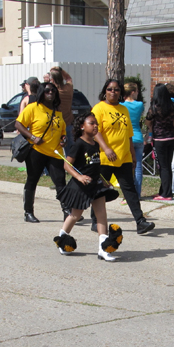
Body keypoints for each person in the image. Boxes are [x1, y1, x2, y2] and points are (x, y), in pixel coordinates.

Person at [91, 79, 155, 235]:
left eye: (116, 90)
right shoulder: (99, 108)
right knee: (99, 190)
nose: (113, 92)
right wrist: (106, 148)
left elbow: (129, 135)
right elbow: (94, 131)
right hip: (105, 158)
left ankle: (140, 222)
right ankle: (96, 221)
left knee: (130, 190)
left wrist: (133, 155)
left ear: (121, 92)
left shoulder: (124, 109)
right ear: (105, 91)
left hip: (124, 156)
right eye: (110, 89)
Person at [55, 112, 121, 261]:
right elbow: (67, 164)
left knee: (101, 216)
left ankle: (103, 249)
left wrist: (104, 180)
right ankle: (62, 240)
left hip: (96, 185)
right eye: (92, 123)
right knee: (75, 215)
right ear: (82, 127)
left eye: (96, 123)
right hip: (81, 186)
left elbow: (95, 166)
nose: (96, 126)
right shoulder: (78, 144)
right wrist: (79, 177)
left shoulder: (96, 144)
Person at [15, 82, 67, 223]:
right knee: (32, 180)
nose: (50, 93)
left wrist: (64, 138)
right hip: (36, 151)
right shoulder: (33, 108)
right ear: (41, 93)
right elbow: (18, 124)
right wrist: (32, 137)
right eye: (47, 91)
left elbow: (62, 130)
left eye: (53, 91)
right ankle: (28, 212)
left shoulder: (58, 111)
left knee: (60, 182)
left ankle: (67, 212)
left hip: (55, 152)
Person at [144, 84, 174, 201]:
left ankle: (166, 194)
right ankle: (164, 190)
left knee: (163, 167)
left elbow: (147, 121)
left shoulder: (154, 108)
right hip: (172, 138)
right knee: (167, 165)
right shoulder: (173, 106)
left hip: (159, 139)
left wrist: (150, 127)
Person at [122, 82, 145, 196]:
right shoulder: (140, 105)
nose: (138, 94)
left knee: (126, 166)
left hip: (126, 137)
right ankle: (137, 192)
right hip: (138, 136)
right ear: (132, 92)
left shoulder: (121, 105)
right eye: (136, 91)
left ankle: (128, 192)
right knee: (138, 166)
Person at [50, 67, 75, 152]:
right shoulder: (68, 88)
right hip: (68, 122)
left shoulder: (53, 92)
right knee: (70, 151)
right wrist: (60, 70)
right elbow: (68, 78)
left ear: (52, 80)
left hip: (56, 124)